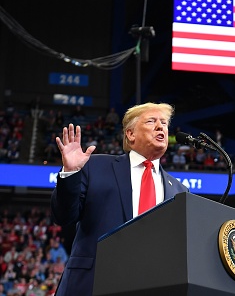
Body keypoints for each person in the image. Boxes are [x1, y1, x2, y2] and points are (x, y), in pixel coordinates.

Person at [50, 102, 189, 296]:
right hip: (92, 285)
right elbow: (62, 216)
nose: (160, 127)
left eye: (164, 123)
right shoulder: (95, 166)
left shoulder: (180, 191)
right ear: (130, 134)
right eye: (151, 121)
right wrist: (71, 173)